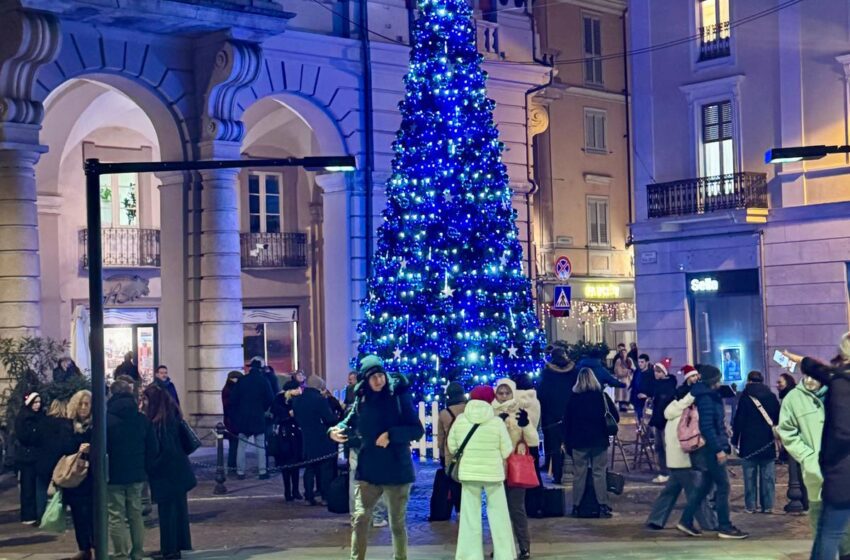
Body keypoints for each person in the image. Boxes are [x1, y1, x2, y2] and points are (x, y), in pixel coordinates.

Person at [329, 355, 424, 560]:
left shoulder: (398, 396)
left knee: (397, 522)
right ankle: (357, 558)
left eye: (380, 375)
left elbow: (416, 430)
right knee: (361, 518)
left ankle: (400, 557)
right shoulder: (362, 399)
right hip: (370, 469)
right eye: (373, 377)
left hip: (396, 469)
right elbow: (349, 420)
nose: (378, 380)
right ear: (366, 380)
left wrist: (392, 434)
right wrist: (334, 430)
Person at [783, 339, 850, 560]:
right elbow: (787, 432)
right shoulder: (797, 397)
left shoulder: (838, 384)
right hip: (819, 472)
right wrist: (809, 458)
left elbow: (841, 432)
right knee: (824, 527)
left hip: (838, 471)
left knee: (830, 531)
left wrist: (826, 460)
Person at [677, 364, 748, 539]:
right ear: (712, 381)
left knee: (705, 487)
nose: (720, 382)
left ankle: (685, 521)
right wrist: (718, 449)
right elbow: (707, 427)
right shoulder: (706, 398)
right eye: (718, 379)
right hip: (711, 449)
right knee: (723, 486)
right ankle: (724, 526)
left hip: (711, 447)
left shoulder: (708, 395)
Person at [448, 385, 515, 560]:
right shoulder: (496, 422)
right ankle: (505, 554)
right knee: (499, 515)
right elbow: (507, 450)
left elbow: (452, 446)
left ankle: (470, 555)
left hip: (469, 473)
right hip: (493, 473)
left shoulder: (461, 420)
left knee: (470, 516)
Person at [646, 382, 717, 531]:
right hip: (686, 460)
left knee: (670, 492)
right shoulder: (687, 416)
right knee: (697, 495)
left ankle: (656, 519)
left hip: (674, 460)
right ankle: (710, 524)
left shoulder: (672, 411)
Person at [107, 380, 157, 560]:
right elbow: (152, 447)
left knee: (115, 515)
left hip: (112, 474)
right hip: (136, 473)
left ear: (112, 394)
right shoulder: (141, 419)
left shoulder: (106, 419)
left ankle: (120, 554)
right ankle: (137, 552)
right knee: (135, 513)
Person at [144, 385, 196, 560]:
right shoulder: (173, 415)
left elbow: (161, 451)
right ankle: (181, 545)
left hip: (166, 473)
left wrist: (151, 465)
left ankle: (169, 549)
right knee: (179, 509)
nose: (143, 403)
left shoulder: (158, 423)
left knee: (167, 512)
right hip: (179, 470)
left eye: (145, 399)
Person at [563, 368, 618, 519]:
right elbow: (615, 417)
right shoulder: (602, 397)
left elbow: (566, 423)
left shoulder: (573, 399)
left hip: (578, 442)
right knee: (599, 473)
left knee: (579, 474)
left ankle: (576, 506)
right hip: (599, 441)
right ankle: (602, 506)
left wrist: (567, 443)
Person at [493, 378, 537, 559]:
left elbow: (533, 440)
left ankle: (524, 547)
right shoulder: (490, 412)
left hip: (516, 467)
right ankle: (502, 548)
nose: (504, 397)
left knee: (517, 509)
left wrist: (525, 424)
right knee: (498, 511)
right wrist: (496, 423)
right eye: (500, 393)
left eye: (507, 393)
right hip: (496, 468)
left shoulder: (520, 412)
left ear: (513, 393)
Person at [732, 370, 780, 514]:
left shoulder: (745, 397)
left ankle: (751, 505)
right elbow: (777, 418)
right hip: (767, 441)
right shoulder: (771, 396)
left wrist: (735, 440)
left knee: (749, 476)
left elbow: (739, 420)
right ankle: (768, 505)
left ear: (749, 381)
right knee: (768, 477)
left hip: (749, 442)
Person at [291, 374, 339, 506]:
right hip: (322, 437)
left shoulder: (298, 399)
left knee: (309, 468)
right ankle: (325, 496)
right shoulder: (319, 399)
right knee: (325, 469)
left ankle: (308, 495)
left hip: (305, 437)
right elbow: (329, 418)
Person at [63, 390, 95, 560]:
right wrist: (77, 449)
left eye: (87, 404)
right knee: (78, 514)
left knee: (93, 514)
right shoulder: (69, 426)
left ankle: (96, 545)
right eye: (81, 404)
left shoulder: (95, 425)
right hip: (75, 479)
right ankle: (84, 548)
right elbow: (63, 448)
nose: (83, 408)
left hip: (92, 477)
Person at [231, 358, 274, 480]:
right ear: (260, 368)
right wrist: (262, 408)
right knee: (260, 445)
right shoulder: (263, 381)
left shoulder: (242, 380)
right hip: (258, 416)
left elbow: (234, 399)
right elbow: (270, 399)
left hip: (243, 417)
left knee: (241, 445)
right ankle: (262, 471)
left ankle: (240, 472)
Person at [538, 346, 574, 484]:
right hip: (570, 414)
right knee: (570, 444)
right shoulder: (574, 372)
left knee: (554, 446)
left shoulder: (547, 374)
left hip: (552, 416)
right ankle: (573, 472)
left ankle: (557, 474)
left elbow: (541, 394)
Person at [272, 380, 303, 501]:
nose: (299, 391)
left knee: (295, 464)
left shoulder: (298, 400)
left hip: (296, 434)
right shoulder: (279, 400)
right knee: (286, 464)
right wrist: (287, 414)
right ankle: (287, 491)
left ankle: (295, 490)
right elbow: (277, 415)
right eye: (297, 389)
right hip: (284, 435)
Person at [15, 392, 43, 524]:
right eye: (35, 402)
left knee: (34, 486)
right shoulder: (25, 418)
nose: (38, 405)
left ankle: (35, 513)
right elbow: (25, 437)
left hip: (34, 455)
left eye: (39, 402)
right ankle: (28, 515)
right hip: (27, 457)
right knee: (28, 486)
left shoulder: (37, 417)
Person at [649, 362, 678, 484]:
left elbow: (665, 403)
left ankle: (670, 472)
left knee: (667, 447)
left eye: (658, 371)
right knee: (659, 447)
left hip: (666, 421)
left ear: (664, 372)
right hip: (658, 420)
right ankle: (663, 471)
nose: (656, 374)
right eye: (655, 371)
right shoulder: (656, 385)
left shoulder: (669, 386)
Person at [221, 371, 243, 471]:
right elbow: (230, 405)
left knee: (235, 444)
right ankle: (232, 466)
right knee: (234, 444)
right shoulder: (230, 390)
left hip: (231, 419)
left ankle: (233, 465)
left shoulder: (230, 388)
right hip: (232, 420)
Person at [631, 354, 654, 424]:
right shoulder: (637, 372)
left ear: (647, 362)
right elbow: (634, 385)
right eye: (639, 362)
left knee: (647, 421)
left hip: (647, 402)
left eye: (642, 362)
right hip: (637, 401)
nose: (640, 364)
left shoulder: (651, 374)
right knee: (639, 420)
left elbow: (654, 387)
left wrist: (647, 395)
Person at [613, 344, 633, 411]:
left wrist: (631, 371)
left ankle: (627, 404)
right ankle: (622, 406)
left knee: (627, 394)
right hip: (621, 380)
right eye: (622, 352)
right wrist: (627, 371)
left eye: (625, 352)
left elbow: (633, 368)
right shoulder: (618, 361)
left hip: (628, 380)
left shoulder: (629, 360)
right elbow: (618, 371)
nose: (624, 354)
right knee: (621, 395)